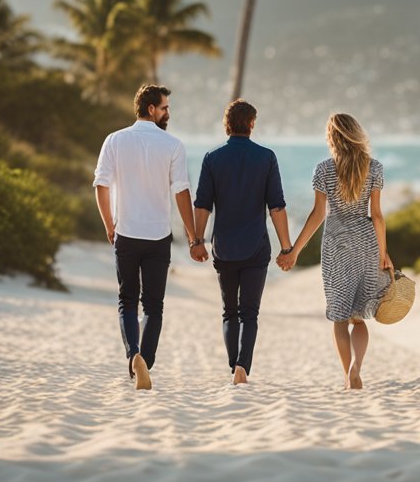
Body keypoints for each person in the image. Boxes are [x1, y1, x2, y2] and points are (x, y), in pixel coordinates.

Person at [93, 83, 208, 390]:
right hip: (158, 236)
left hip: (126, 233)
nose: (168, 112)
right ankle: (147, 361)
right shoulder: (173, 145)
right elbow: (182, 192)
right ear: (151, 109)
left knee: (127, 301)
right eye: (165, 107)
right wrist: (194, 236)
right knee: (153, 305)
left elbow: (101, 185)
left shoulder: (114, 140)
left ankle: (133, 357)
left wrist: (109, 224)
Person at [279, 112, 392, 390]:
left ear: (332, 138)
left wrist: (294, 251)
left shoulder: (323, 169)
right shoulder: (374, 168)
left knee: (340, 317)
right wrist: (383, 253)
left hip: (336, 246)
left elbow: (318, 214)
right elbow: (376, 215)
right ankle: (357, 368)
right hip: (366, 244)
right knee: (360, 316)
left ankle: (347, 375)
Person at [193, 99, 292, 384]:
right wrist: (287, 248)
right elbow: (277, 207)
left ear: (227, 125)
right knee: (250, 313)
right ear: (251, 124)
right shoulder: (266, 157)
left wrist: (197, 240)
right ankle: (243, 367)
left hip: (223, 247)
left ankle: (233, 364)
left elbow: (202, 205)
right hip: (255, 248)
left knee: (230, 312)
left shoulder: (212, 158)